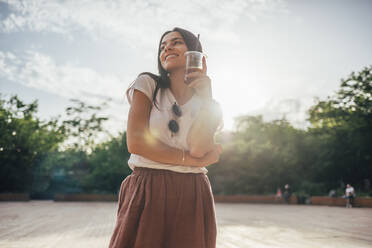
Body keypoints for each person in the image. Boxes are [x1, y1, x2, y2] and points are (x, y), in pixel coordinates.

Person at [108, 27, 223, 248]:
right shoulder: (147, 84)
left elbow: (199, 149)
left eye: (176, 42)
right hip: (149, 187)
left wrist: (206, 98)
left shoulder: (211, 105)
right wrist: (191, 161)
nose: (167, 47)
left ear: (195, 53)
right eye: (162, 46)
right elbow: (137, 142)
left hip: (193, 192)